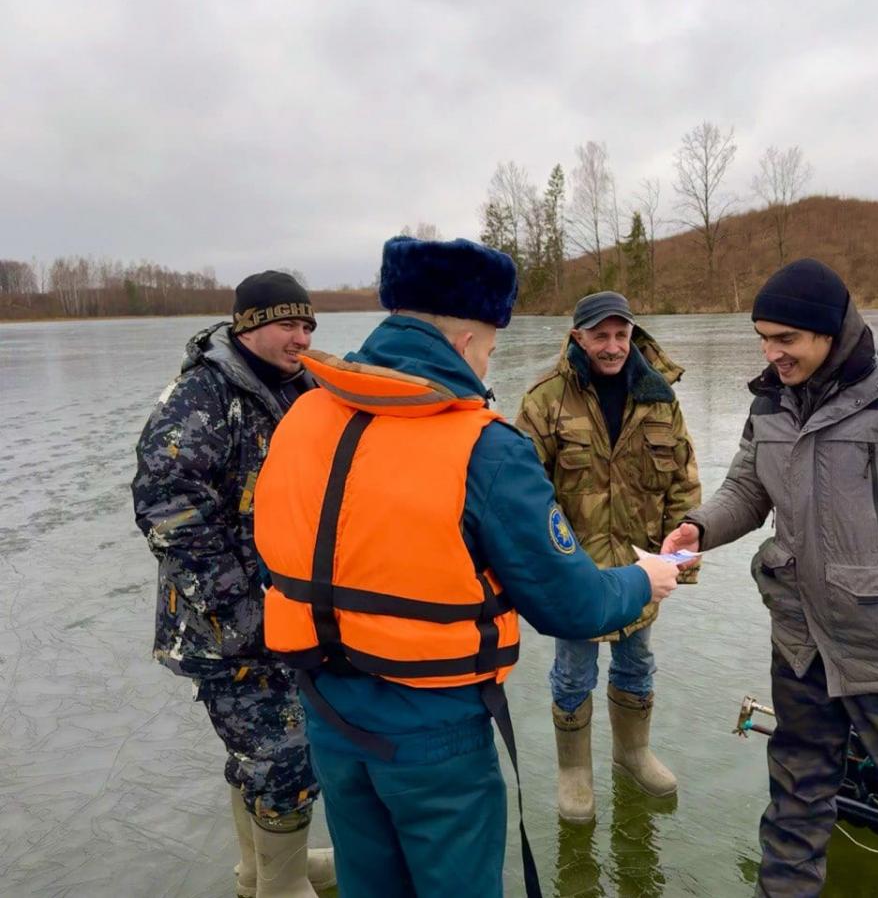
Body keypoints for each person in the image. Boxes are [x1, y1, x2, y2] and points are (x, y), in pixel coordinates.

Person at [252, 236, 683, 898]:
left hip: (329, 718)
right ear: (463, 344)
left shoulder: (302, 415)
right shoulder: (483, 446)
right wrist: (643, 579)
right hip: (434, 738)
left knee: (372, 884)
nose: (488, 364)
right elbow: (572, 604)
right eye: (489, 347)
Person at [662, 258, 878, 896]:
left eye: (785, 339)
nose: (771, 352)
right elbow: (747, 487)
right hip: (799, 640)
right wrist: (700, 528)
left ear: (829, 333)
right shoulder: (771, 396)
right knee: (793, 812)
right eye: (763, 337)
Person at [132, 271, 336, 897]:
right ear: (248, 326)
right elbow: (168, 510)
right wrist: (246, 610)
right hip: (227, 624)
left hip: (286, 611)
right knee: (284, 755)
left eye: (307, 325)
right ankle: (281, 886)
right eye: (287, 325)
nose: (301, 337)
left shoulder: (304, 387)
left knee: (266, 751)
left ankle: (262, 870)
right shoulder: (201, 396)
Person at [516, 291, 700, 822]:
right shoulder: (544, 399)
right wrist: (544, 570)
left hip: (643, 567)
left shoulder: (659, 395)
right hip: (576, 573)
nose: (613, 346)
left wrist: (680, 562)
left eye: (621, 334)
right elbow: (522, 495)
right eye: (600, 335)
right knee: (573, 672)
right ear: (578, 337)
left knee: (638, 663)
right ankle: (574, 771)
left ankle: (631, 752)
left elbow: (684, 485)